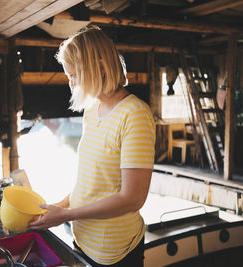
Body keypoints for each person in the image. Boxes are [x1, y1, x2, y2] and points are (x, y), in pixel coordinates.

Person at [29, 26, 155, 267]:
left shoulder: (135, 114)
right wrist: (60, 206)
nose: (72, 83)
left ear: (99, 67)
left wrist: (66, 215)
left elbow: (132, 198)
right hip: (84, 241)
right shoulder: (92, 110)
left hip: (114, 251)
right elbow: (91, 181)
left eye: (74, 75)